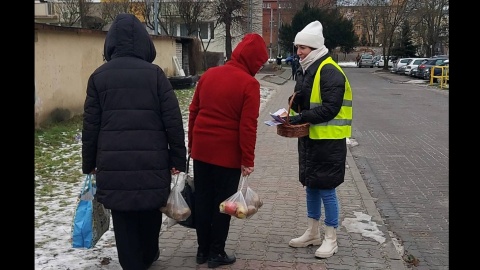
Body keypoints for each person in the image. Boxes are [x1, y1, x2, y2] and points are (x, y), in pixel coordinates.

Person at [82, 13, 187, 270]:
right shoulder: (156, 75)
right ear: (144, 43)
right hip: (152, 162)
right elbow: (173, 121)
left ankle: (132, 263)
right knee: (151, 212)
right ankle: (149, 254)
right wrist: (177, 159)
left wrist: (89, 163)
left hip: (114, 164)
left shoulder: (98, 77)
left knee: (124, 220)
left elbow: (91, 126)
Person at [187, 33, 268, 268]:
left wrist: (192, 143)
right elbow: (247, 125)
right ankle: (216, 252)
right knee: (224, 204)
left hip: (202, 150)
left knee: (203, 199)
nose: (259, 68)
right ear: (252, 59)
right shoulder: (249, 84)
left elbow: (194, 111)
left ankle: (202, 251)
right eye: (259, 63)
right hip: (227, 154)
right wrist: (247, 159)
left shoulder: (210, 74)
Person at [285, 20, 353, 259]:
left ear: (315, 48)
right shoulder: (307, 69)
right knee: (311, 186)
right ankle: (312, 233)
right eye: (297, 47)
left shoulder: (329, 70)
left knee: (326, 189)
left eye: (303, 47)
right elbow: (302, 100)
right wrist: (289, 113)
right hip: (310, 140)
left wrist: (300, 117)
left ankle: (331, 237)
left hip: (328, 141)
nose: (299, 52)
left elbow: (331, 109)